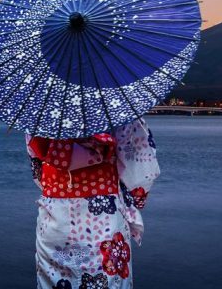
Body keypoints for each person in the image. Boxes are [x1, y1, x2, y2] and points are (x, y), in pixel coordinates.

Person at [25, 118, 160, 289]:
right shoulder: (116, 109)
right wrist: (135, 198)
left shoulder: (42, 110)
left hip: (55, 218)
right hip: (104, 218)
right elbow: (142, 169)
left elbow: (38, 170)